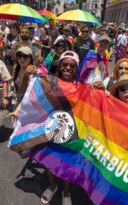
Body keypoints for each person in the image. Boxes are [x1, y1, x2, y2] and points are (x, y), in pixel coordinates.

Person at [41, 51, 80, 205]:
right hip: (50, 127)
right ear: (59, 66)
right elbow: (30, 94)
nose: (68, 68)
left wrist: (100, 90)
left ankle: (66, 191)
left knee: (66, 163)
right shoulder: (49, 82)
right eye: (65, 64)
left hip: (71, 132)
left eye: (72, 65)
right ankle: (52, 186)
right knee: (49, 160)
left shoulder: (81, 87)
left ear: (76, 69)